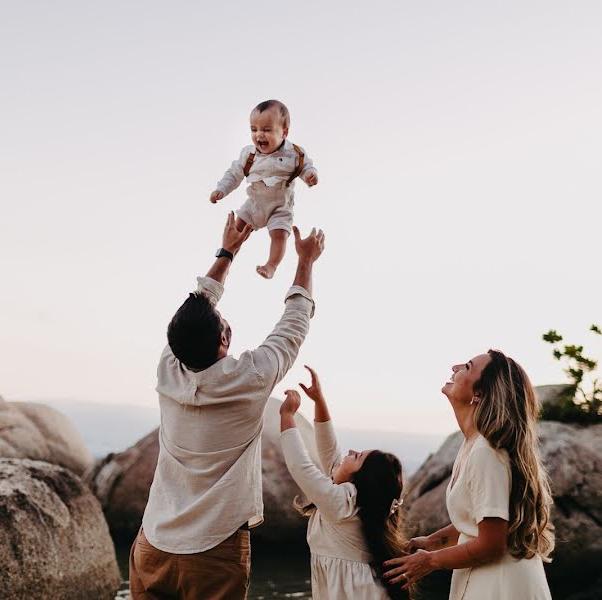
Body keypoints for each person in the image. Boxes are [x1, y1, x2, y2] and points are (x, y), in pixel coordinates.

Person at [128, 212, 326, 600]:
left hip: (155, 541)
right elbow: (294, 323)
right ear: (226, 336)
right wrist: (304, 261)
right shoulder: (252, 378)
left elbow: (196, 309)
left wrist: (227, 251)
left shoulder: (169, 368)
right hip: (214, 550)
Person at [383, 349, 554, 599]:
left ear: (479, 394)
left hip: (501, 586)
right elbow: (481, 518)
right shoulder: (474, 444)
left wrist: (429, 561)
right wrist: (433, 541)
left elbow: (492, 544)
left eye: (467, 366)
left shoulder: (486, 452)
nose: (455, 367)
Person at [279, 366, 412, 600]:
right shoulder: (344, 493)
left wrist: (287, 416)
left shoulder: (341, 501)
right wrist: (319, 399)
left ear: (359, 479)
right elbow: (328, 447)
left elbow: (301, 466)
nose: (350, 451)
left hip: (357, 593)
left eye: (357, 456)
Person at [209, 99, 319, 279]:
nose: (259, 135)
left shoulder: (295, 153)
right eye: (254, 129)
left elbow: (306, 167)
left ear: (284, 132)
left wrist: (310, 176)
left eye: (266, 130)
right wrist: (221, 189)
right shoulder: (249, 154)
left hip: (280, 206)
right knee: (236, 231)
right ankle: (226, 259)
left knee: (280, 235)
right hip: (255, 203)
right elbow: (234, 173)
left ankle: (271, 266)